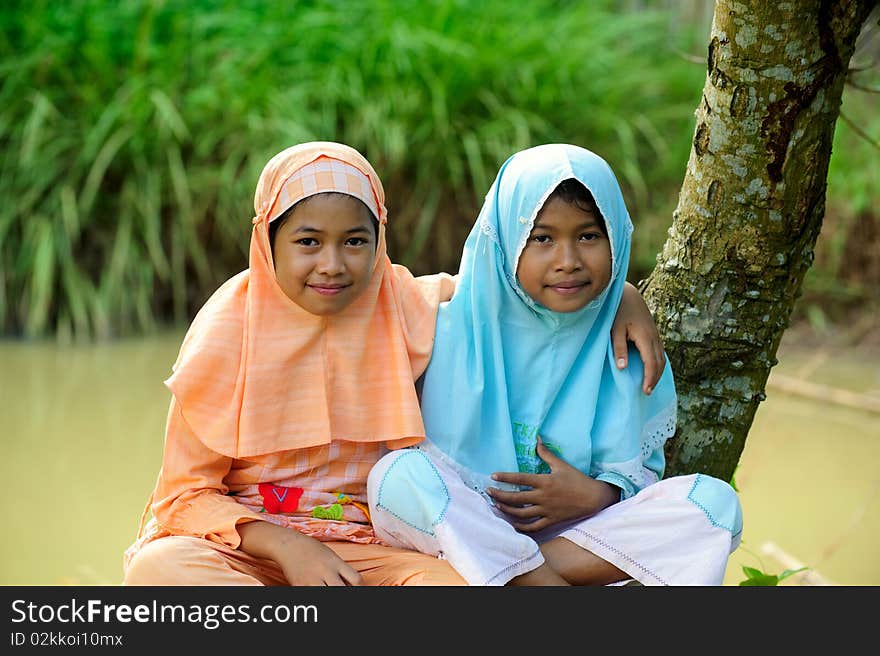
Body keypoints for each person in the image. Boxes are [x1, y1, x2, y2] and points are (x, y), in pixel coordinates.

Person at [123, 141, 665, 586]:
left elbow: (501, 287)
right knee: (159, 570)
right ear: (268, 242)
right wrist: (287, 546)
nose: (332, 265)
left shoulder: (401, 302)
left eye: (355, 241)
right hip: (246, 546)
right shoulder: (225, 331)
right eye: (308, 242)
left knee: (457, 589)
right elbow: (184, 495)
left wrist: (622, 294)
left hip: (369, 547)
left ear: (380, 239)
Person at [367, 143, 742, 586]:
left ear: (616, 240)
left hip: (575, 541)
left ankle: (519, 578)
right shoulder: (440, 319)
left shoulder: (623, 343)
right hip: (462, 521)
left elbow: (636, 482)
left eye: (588, 236)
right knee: (396, 477)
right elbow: (346, 293)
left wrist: (598, 495)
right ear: (505, 240)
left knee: (714, 506)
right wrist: (628, 293)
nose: (568, 261)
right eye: (542, 238)